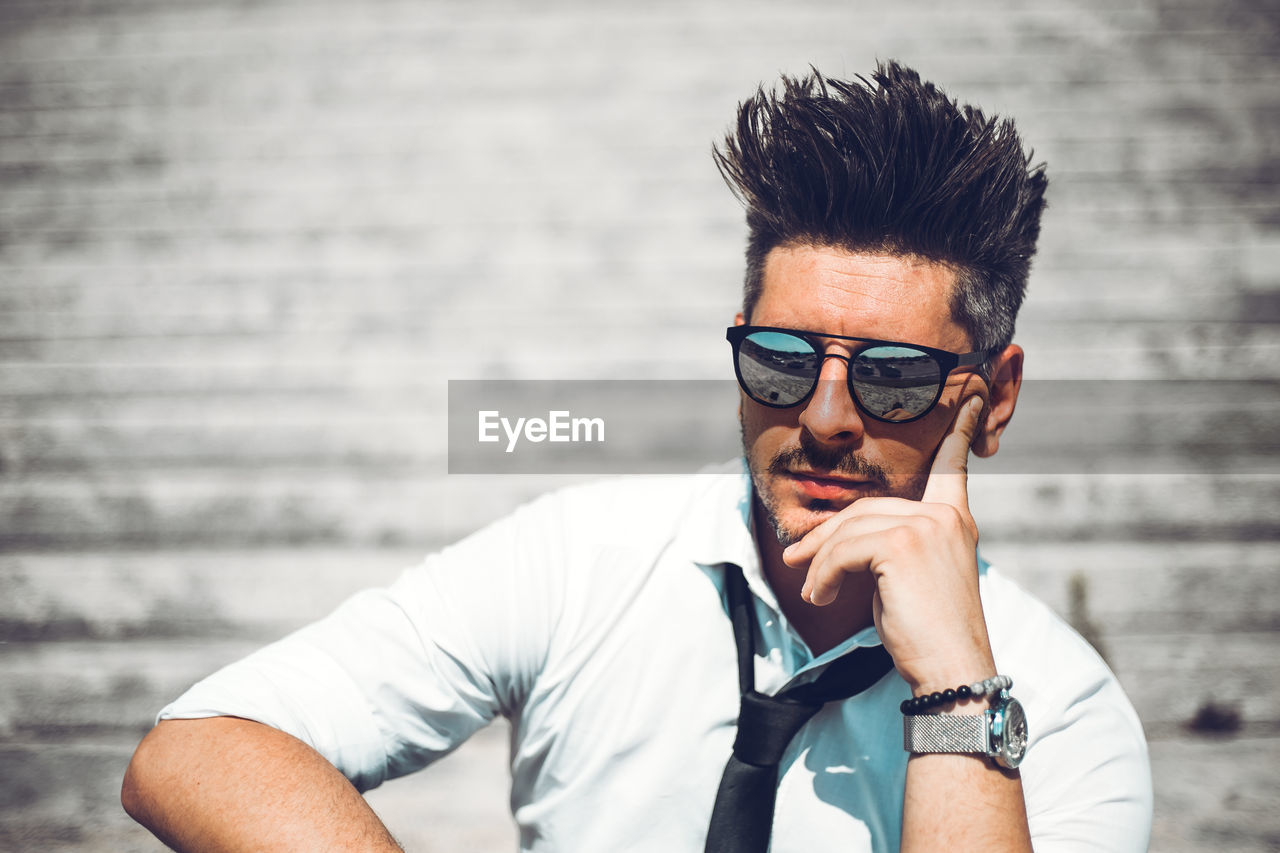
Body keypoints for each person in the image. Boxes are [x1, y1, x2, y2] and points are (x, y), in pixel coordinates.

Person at [121, 61, 1152, 852]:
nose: (826, 414)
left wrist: (955, 698)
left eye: (890, 377)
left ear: (994, 396)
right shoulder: (585, 558)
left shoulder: (1059, 717)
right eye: (780, 361)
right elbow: (198, 746)